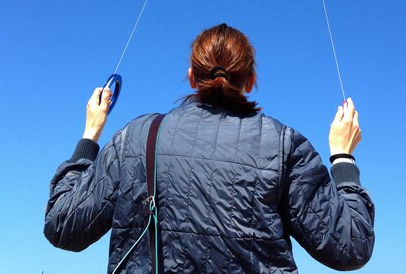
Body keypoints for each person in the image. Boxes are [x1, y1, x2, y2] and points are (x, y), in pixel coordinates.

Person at [44, 23, 375, 272]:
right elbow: (350, 246)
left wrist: (90, 135)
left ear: (191, 76)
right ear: (250, 81)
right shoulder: (285, 145)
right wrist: (343, 157)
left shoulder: (135, 137)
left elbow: (63, 226)